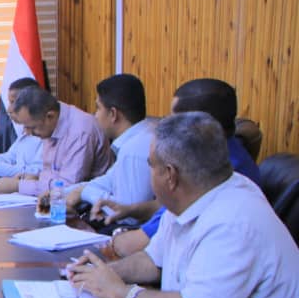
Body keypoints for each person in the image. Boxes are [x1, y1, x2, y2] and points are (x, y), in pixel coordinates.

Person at [70, 112, 299, 298]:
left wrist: (119, 292)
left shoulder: (234, 219)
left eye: (150, 166)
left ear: (170, 175)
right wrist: (103, 274)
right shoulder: (193, 197)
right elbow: (152, 262)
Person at [104, 78, 262, 256]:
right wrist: (131, 210)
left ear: (195, 126)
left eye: (172, 119)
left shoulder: (213, 174)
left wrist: (107, 240)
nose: (165, 125)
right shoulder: (224, 155)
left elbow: (135, 245)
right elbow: (165, 213)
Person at [64, 74, 156, 223]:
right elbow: (107, 181)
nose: (95, 115)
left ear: (113, 114)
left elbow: (128, 217)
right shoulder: (140, 136)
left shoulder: (134, 150)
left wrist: (84, 193)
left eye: (98, 108)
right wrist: (61, 193)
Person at [0, 87, 112, 196]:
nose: (27, 133)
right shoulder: (51, 122)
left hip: (88, 208)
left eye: (32, 127)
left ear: (50, 116)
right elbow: (52, 173)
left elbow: (67, 188)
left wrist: (18, 186)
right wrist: (35, 178)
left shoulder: (79, 132)